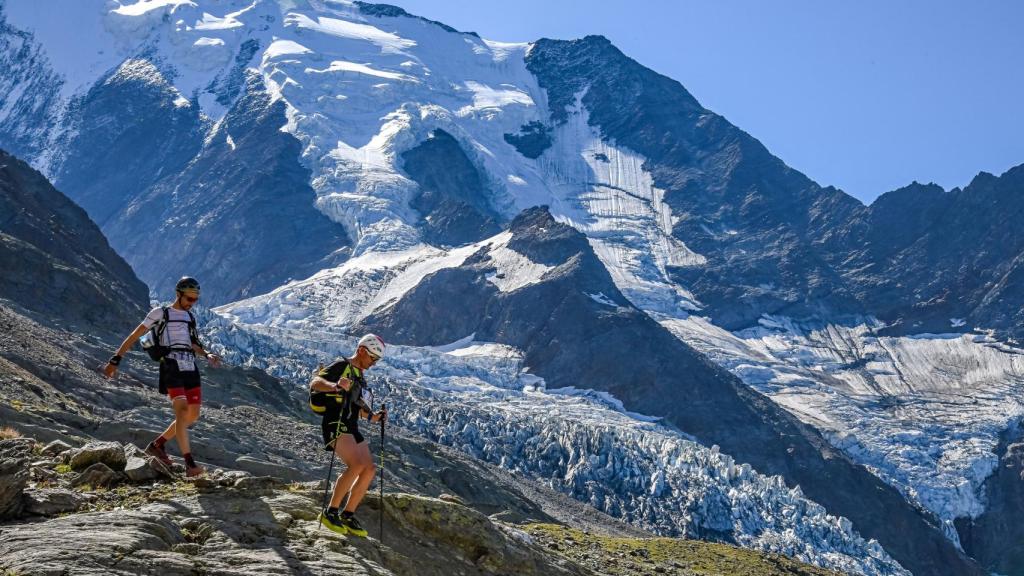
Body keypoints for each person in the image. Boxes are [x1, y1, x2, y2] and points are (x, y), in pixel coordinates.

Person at [103, 276, 221, 477]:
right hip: (171, 365)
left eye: (195, 300)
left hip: (190, 366)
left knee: (193, 416)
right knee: (182, 412)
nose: (192, 303)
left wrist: (207, 354)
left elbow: (193, 342)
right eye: (189, 299)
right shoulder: (160, 313)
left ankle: (157, 445)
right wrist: (115, 359)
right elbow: (134, 335)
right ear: (179, 294)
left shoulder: (189, 318)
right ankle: (190, 465)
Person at [311, 333, 387, 537]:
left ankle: (348, 514)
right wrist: (335, 386)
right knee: (357, 465)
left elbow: (358, 407)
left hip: (351, 424)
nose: (374, 363)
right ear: (362, 350)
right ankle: (330, 512)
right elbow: (316, 383)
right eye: (373, 358)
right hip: (335, 421)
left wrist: (374, 417)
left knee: (369, 469)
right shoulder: (341, 365)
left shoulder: (360, 376)